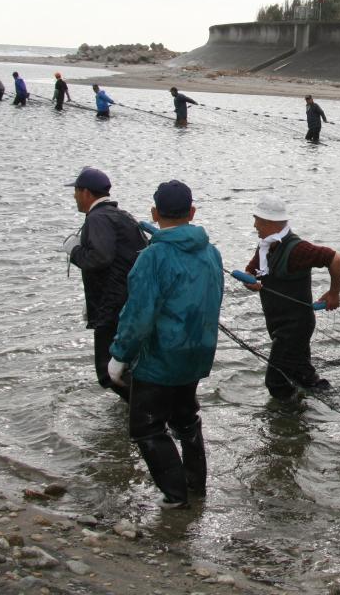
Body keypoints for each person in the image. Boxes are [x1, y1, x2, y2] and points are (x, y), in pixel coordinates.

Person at [107, 180, 223, 509]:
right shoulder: (212, 252)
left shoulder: (152, 257)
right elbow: (214, 300)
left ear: (154, 213)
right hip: (198, 352)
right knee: (186, 419)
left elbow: (138, 315)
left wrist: (119, 355)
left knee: (146, 427)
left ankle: (176, 498)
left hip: (161, 357)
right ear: (192, 212)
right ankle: (196, 488)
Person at [240, 194, 340, 399]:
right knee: (301, 373)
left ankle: (289, 422)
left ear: (270, 222)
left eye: (257, 220)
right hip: (278, 324)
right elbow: (252, 271)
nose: (254, 225)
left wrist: (334, 293)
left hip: (295, 328)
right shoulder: (267, 245)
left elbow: (336, 259)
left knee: (276, 381)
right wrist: (250, 281)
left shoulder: (298, 249)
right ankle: (319, 402)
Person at [61, 166, 146, 401]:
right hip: (130, 303)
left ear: (86, 193)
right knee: (127, 367)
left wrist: (74, 250)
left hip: (113, 308)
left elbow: (99, 258)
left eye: (76, 191)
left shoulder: (98, 219)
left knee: (107, 373)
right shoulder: (122, 215)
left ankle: (150, 412)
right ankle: (137, 417)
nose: (74, 197)